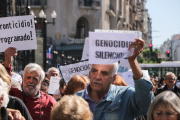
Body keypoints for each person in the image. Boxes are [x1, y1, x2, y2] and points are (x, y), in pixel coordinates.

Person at [76, 38, 154, 120]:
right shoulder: (76, 99)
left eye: (104, 73)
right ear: (89, 73)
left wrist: (132, 60)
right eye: (94, 71)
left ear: (114, 78)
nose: (97, 77)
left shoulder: (125, 96)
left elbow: (145, 103)